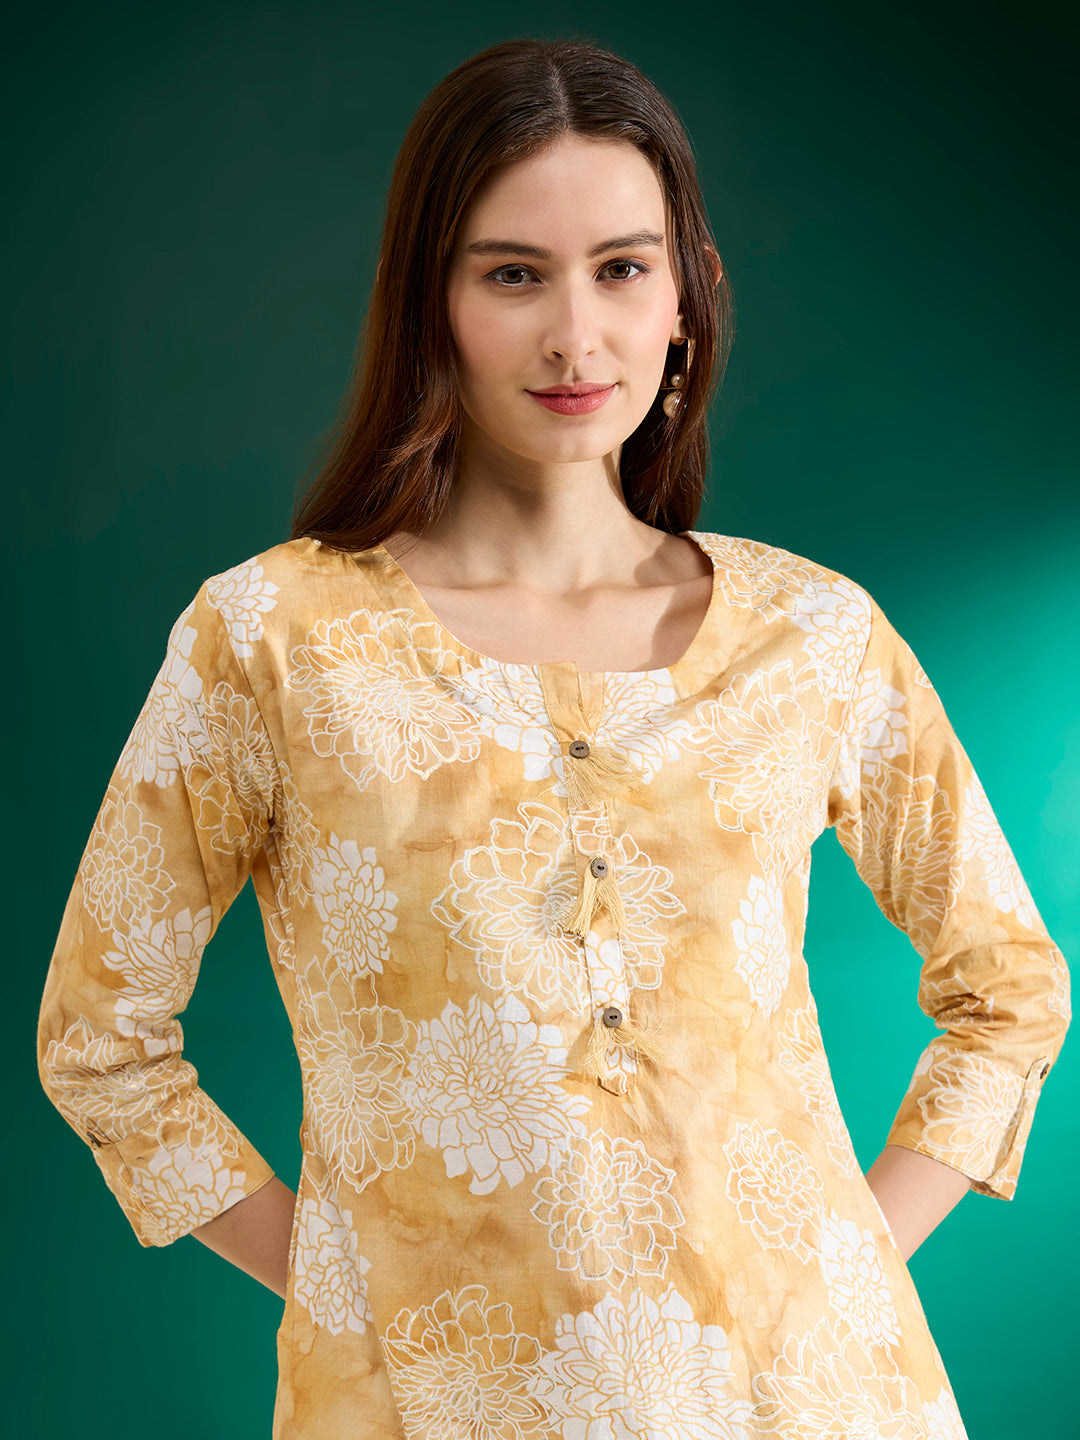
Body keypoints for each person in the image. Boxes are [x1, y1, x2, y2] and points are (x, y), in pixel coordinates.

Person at [37, 34, 1070, 1440]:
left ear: (687, 297)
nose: (576, 337)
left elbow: (1011, 989)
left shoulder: (813, 635)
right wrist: (345, 1288)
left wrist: (843, 1265)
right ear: (430, 304)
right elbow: (100, 1041)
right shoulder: (274, 642)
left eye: (622, 269)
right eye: (513, 275)